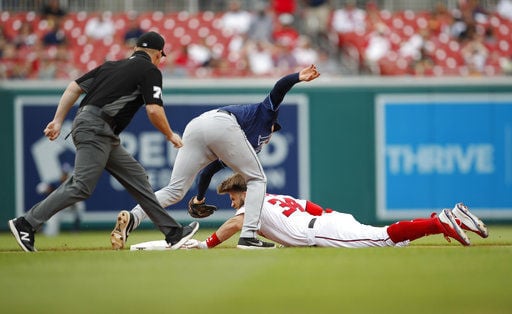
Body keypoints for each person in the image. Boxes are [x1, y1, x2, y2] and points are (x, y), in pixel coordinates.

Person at [8, 31, 199, 252]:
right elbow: (154, 110)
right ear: (157, 53)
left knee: (137, 176)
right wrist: (170, 135)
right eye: (161, 56)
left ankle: (173, 233)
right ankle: (26, 223)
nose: (160, 60)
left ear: (135, 49)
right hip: (96, 129)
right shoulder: (150, 70)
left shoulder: (110, 66)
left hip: (98, 129)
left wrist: (58, 121)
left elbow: (73, 87)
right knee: (81, 185)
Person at [111, 64, 321, 250]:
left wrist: (200, 197)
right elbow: (279, 88)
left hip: (197, 127)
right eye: (274, 130)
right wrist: (297, 77)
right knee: (258, 179)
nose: (272, 133)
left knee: (175, 190)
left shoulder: (243, 144)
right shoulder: (266, 114)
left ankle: (133, 217)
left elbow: (210, 170)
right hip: (222, 124)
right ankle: (248, 237)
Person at [171, 173, 488, 250]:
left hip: (320, 229)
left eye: (232, 195)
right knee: (392, 244)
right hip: (327, 220)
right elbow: (313, 206)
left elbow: (231, 226)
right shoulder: (275, 196)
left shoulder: (253, 202)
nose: (232, 201)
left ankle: (439, 223)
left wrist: (206, 244)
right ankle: (450, 218)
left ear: (243, 191)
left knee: (382, 240)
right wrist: (334, 220)